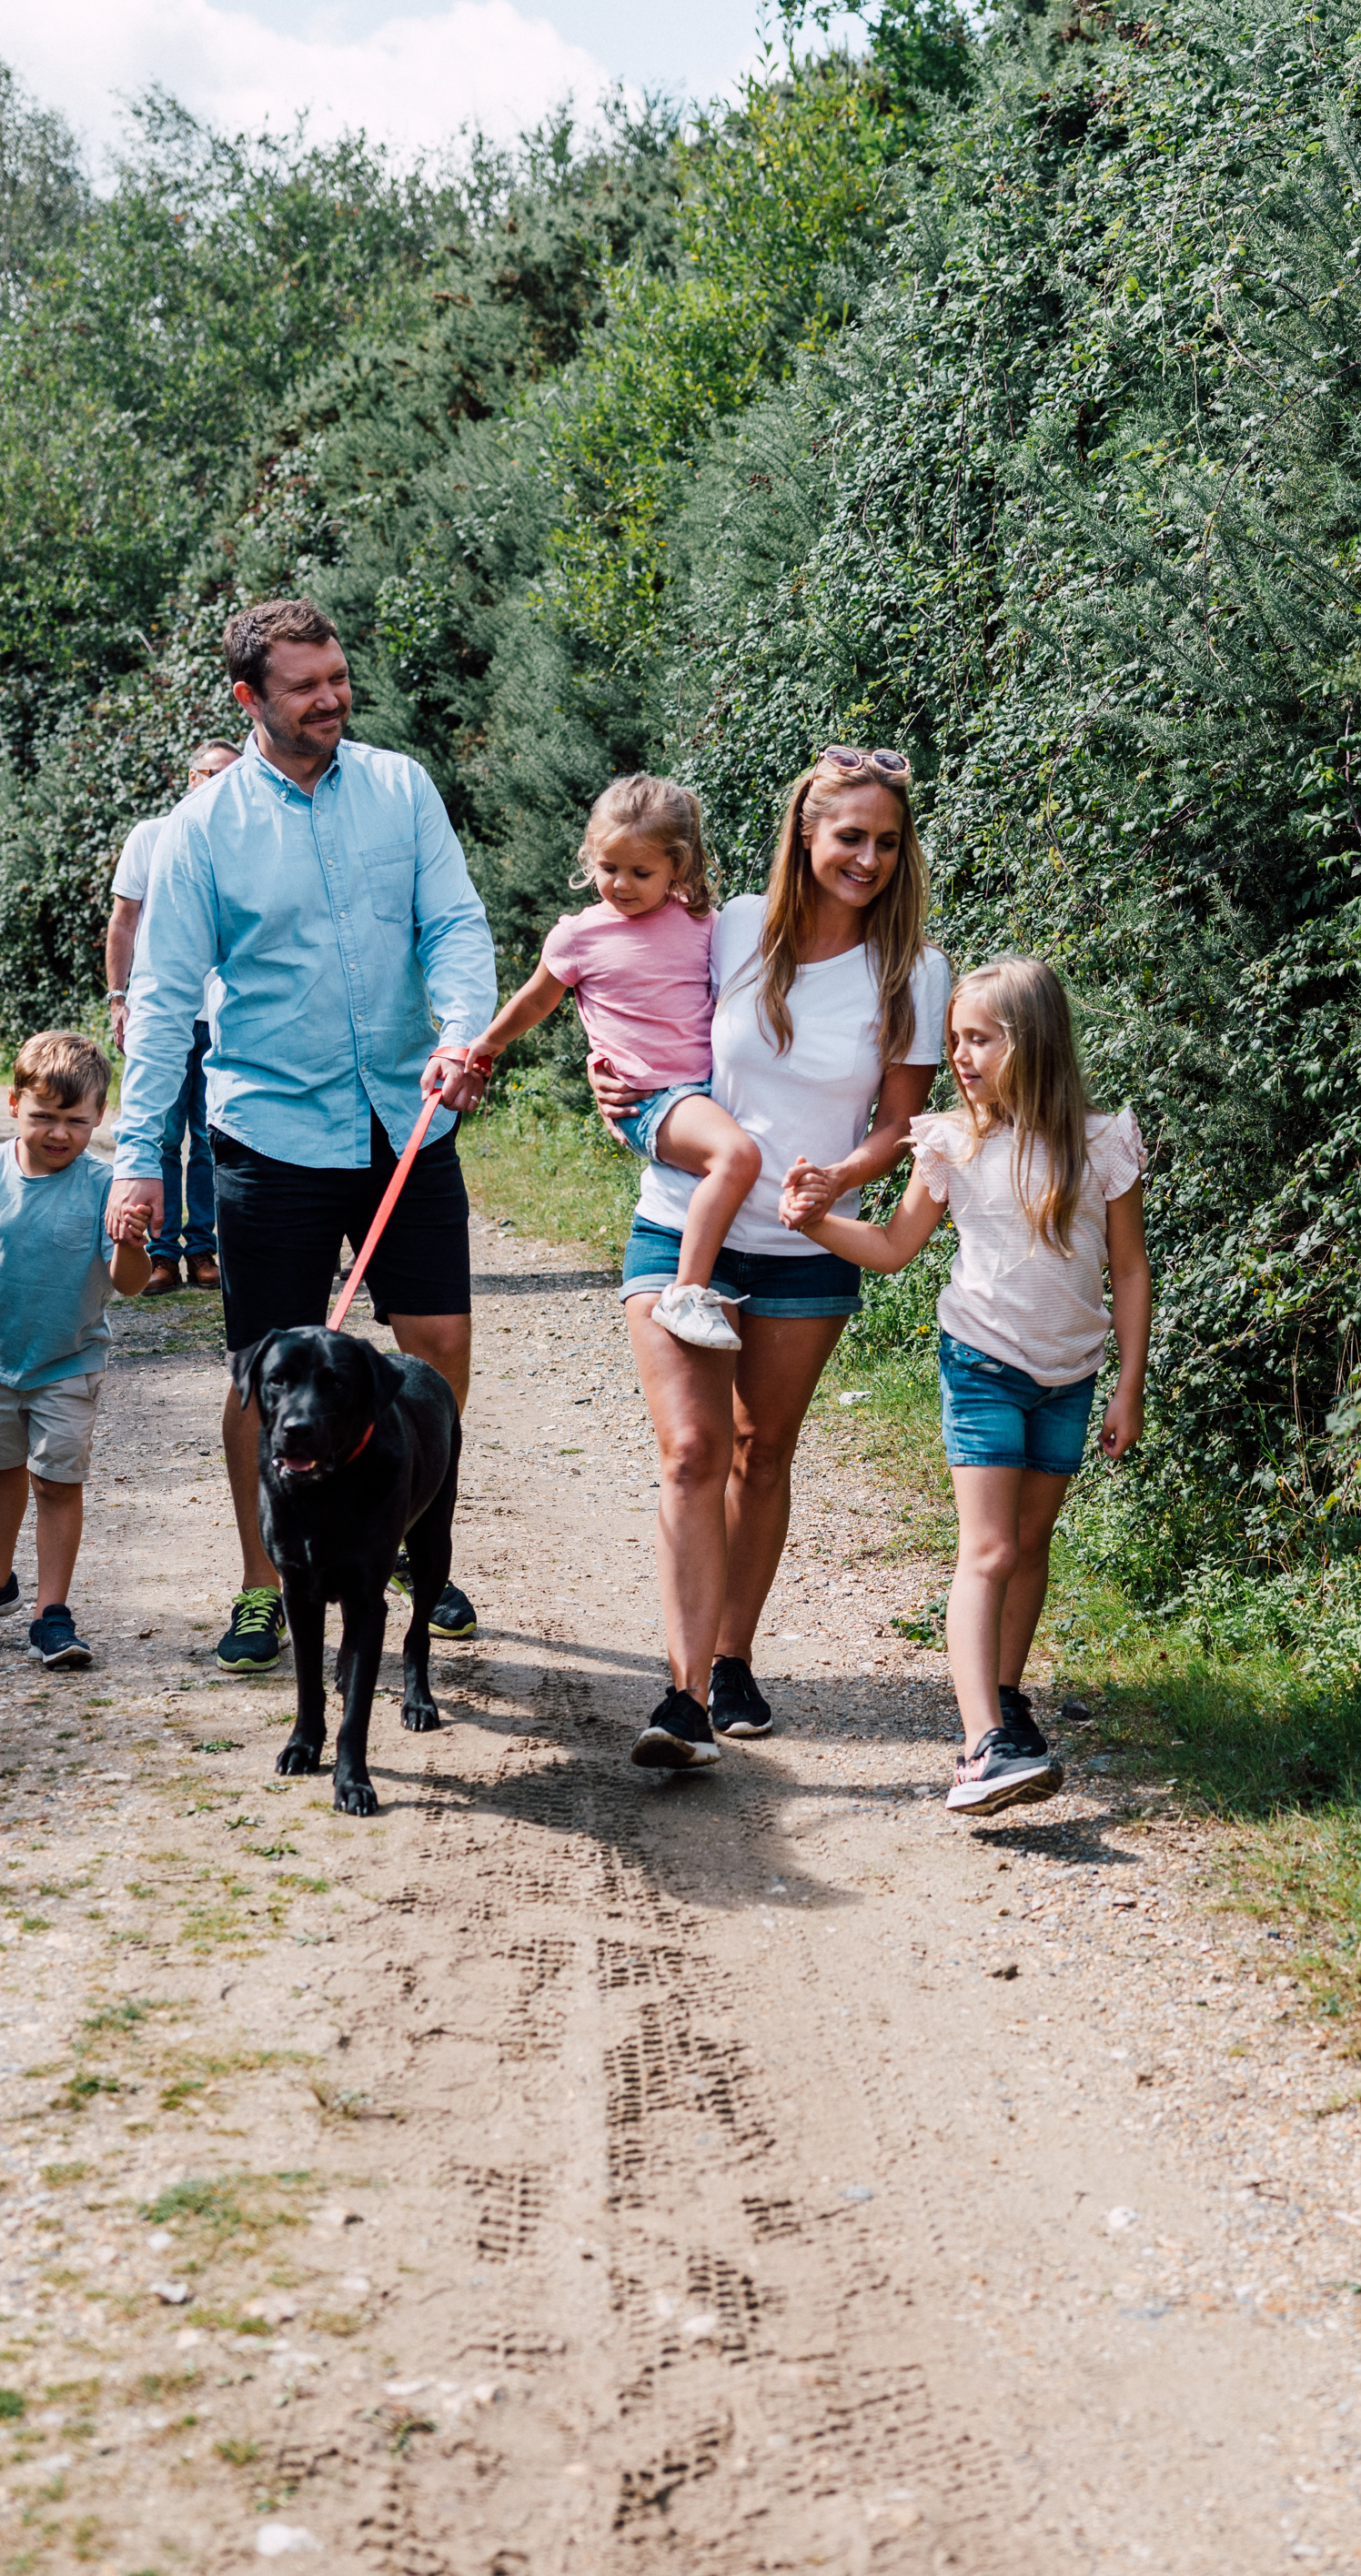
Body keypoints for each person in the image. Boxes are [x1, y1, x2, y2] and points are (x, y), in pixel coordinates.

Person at [107, 600, 498, 1675]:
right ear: (249, 699)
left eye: (337, 676)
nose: (331, 697)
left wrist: (462, 1033)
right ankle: (264, 1582)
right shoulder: (201, 833)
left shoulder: (401, 786)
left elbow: (453, 923)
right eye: (304, 685)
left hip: (404, 1117)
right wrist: (139, 1156)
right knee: (262, 1377)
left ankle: (417, 1539)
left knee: (440, 1348)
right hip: (268, 1133)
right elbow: (162, 995)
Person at [596, 747, 946, 1770]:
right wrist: (610, 1071)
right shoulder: (733, 925)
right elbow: (636, 997)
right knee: (693, 1454)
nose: (868, 858)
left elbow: (900, 1123)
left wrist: (839, 1179)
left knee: (764, 1450)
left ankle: (735, 1656)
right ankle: (680, 1691)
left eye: (886, 842)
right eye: (850, 837)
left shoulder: (915, 969)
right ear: (807, 832)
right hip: (683, 1225)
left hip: (806, 1243)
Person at [782, 956, 1149, 1814]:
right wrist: (819, 1221)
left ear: (1034, 1042)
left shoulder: (1103, 1143)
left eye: (978, 1038)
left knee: (1029, 1542)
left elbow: (1128, 1272)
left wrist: (1128, 1385)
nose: (959, 1055)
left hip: (1071, 1375)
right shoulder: (952, 1140)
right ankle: (981, 1741)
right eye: (953, 1040)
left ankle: (1009, 1703)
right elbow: (893, 1247)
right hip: (981, 1361)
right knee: (987, 1550)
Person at [462, 776, 761, 1353]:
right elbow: (537, 998)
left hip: (705, 1092)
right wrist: (490, 1043)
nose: (619, 884)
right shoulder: (581, 934)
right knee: (736, 1155)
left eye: (640, 872)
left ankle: (713, 1273)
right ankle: (687, 1293)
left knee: (735, 1158)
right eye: (608, 867)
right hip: (647, 1097)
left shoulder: (705, 923)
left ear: (677, 867)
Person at [0, 1030, 156, 1670]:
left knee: (55, 1483)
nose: (58, 1133)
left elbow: (129, 1286)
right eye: (42, 1117)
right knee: (1, 1471)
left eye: (75, 1122)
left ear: (98, 1118)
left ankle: (51, 1614)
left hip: (70, 1363)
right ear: (13, 1104)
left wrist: (131, 1242)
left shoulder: (104, 1187)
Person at [103, 740, 239, 1293]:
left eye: (235, 776)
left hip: (223, 1015)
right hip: (162, 1014)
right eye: (213, 775)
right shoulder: (151, 836)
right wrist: (119, 996)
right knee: (159, 1136)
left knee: (211, 1138)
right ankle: (159, 1255)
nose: (223, 786)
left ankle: (203, 1250)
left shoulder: (245, 841)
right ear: (191, 777)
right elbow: (124, 922)